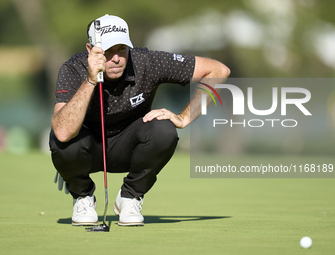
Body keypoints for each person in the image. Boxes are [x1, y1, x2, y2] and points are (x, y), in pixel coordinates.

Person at [49, 14, 230, 227]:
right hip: (88, 149)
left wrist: (184, 117)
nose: (116, 58)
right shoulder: (73, 68)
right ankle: (83, 197)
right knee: (63, 140)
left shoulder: (146, 61)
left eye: (122, 49)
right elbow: (62, 132)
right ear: (91, 50)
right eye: (108, 51)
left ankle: (130, 197)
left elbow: (218, 71)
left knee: (164, 129)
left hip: (131, 146)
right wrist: (90, 79)